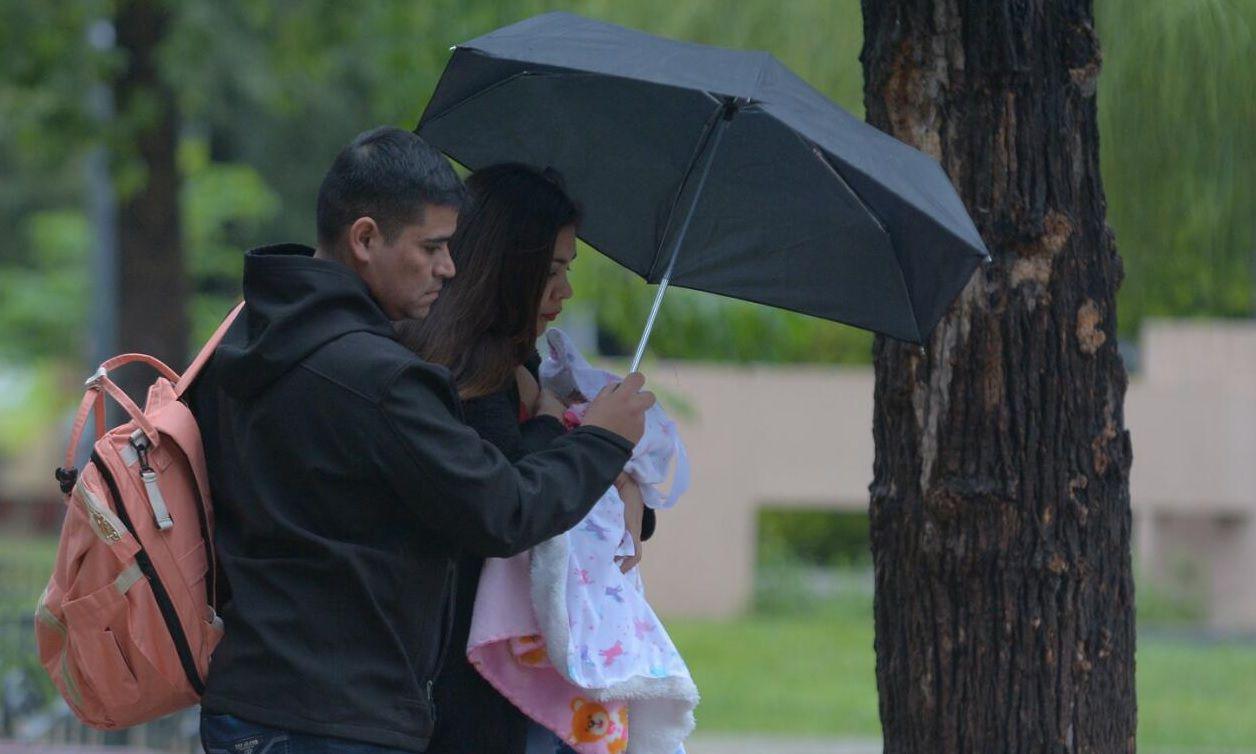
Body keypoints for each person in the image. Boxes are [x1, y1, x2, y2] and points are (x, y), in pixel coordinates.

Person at [188, 127, 655, 754]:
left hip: (244, 703)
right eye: (432, 247)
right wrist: (602, 439)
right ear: (365, 239)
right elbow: (505, 511)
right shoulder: (381, 380)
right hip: (341, 717)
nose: (448, 268)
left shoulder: (239, 341)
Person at [400, 164, 665, 754]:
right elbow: (509, 507)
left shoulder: (523, 365)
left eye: (567, 269)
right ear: (500, 268)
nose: (564, 291)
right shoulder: (464, 377)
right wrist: (581, 434)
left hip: (516, 670)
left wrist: (621, 476)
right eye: (549, 272)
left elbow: (582, 499)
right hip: (470, 687)